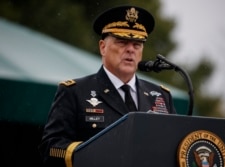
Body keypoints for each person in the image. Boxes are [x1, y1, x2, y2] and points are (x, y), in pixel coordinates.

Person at [38, 5, 176, 167]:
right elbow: (51, 147)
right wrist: (90, 152)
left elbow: (173, 146)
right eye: (122, 42)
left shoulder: (160, 95)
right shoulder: (74, 92)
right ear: (103, 47)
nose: (130, 50)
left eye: (137, 44)